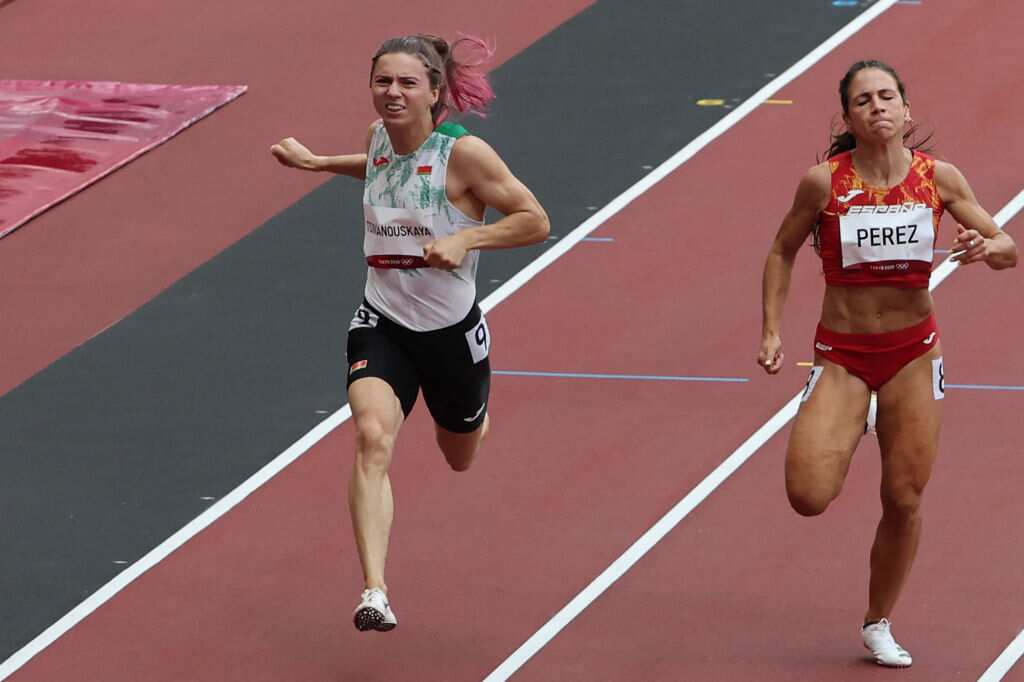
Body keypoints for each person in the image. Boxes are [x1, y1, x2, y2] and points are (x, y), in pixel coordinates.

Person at [271, 34, 549, 632]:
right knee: (372, 436)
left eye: (405, 83)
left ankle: (473, 416)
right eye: (381, 82)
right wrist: (319, 162)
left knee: (460, 457)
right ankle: (375, 591)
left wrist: (466, 237)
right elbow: (376, 167)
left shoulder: (466, 155)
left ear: (434, 92)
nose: (391, 93)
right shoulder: (378, 139)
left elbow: (535, 220)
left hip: (450, 335)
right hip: (382, 323)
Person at [758, 60, 1017, 667]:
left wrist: (987, 246)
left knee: (903, 497)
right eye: (862, 100)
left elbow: (1007, 247)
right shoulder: (823, 183)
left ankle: (878, 622)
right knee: (808, 494)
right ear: (848, 117)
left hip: (913, 355)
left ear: (906, 110)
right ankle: (848, 419)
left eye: (886, 96)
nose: (876, 106)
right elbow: (780, 250)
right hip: (843, 355)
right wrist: (771, 329)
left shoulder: (939, 178)